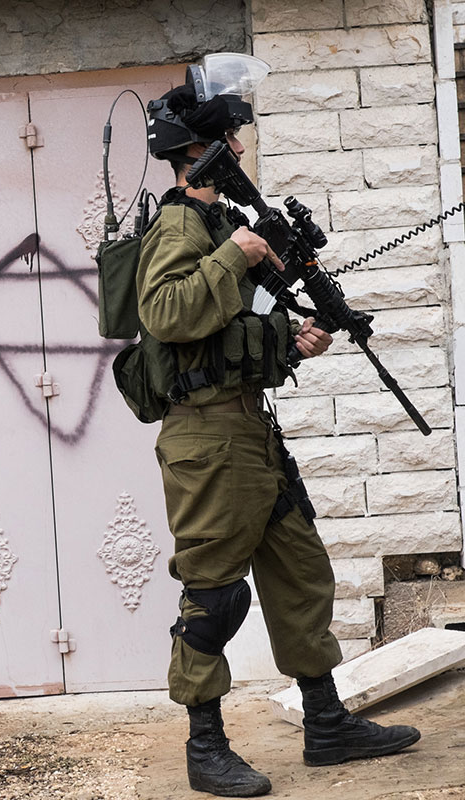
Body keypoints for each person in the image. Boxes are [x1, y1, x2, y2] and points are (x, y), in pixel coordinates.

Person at [132, 54, 421, 797]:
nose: (245, 148)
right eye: (234, 137)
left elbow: (230, 326)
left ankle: (327, 726)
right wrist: (237, 252)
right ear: (201, 150)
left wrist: (291, 341)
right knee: (216, 593)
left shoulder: (222, 221)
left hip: (251, 429)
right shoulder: (178, 224)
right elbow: (165, 314)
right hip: (206, 439)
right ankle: (206, 746)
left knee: (300, 571)